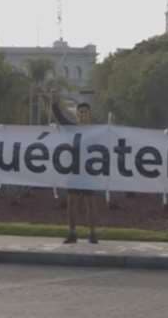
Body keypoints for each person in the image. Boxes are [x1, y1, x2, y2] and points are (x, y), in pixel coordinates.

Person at [51, 93, 99, 244]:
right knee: (71, 203)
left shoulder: (97, 130)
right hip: (74, 170)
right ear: (77, 115)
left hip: (89, 171)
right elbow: (60, 118)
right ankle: (72, 233)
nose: (83, 115)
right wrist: (54, 104)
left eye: (85, 112)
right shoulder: (72, 128)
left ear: (89, 115)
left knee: (90, 203)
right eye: (80, 112)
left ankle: (92, 233)